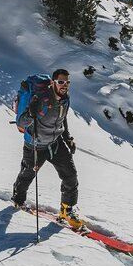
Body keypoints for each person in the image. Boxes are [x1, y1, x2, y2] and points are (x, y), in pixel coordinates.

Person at [11, 69, 82, 228]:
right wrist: (31, 112)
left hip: (55, 143)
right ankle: (18, 201)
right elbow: (21, 123)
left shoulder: (66, 98)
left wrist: (67, 138)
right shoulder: (40, 99)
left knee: (71, 176)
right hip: (35, 145)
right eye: (61, 82)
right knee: (27, 175)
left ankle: (67, 210)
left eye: (67, 82)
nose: (65, 85)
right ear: (53, 82)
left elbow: (62, 119)